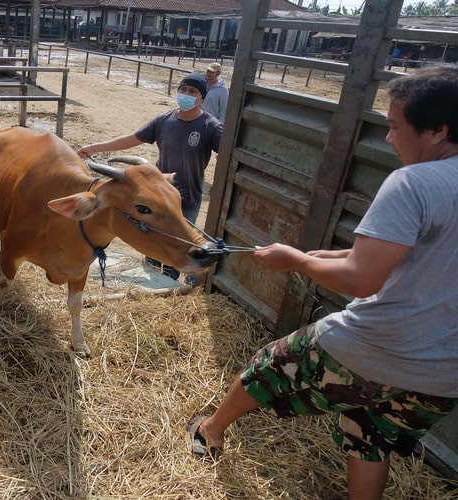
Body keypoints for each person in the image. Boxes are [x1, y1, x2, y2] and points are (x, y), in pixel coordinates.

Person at [187, 66, 458, 499]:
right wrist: (322, 256)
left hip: (377, 347)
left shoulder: (415, 182)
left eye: (394, 126)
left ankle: (211, 430)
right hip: (444, 377)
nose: (389, 138)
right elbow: (418, 261)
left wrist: (294, 261)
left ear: (437, 131)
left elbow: (364, 279)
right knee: (367, 433)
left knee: (265, 366)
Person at [78, 73, 223, 285]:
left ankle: (172, 285)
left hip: (188, 196)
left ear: (202, 97)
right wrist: (94, 148)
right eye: (183, 89)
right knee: (154, 243)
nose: (186, 94)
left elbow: (227, 155)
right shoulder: (164, 120)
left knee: (183, 244)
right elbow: (131, 139)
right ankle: (155, 283)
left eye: (192, 91)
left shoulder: (211, 126)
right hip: (155, 198)